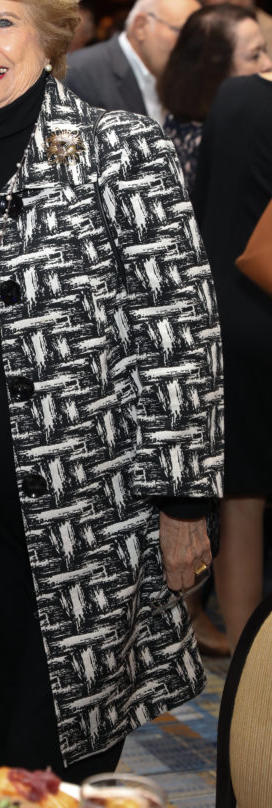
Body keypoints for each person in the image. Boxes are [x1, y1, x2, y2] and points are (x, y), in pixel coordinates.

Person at [0, 0, 223, 780]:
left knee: (56, 762)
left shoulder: (124, 155)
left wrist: (183, 504)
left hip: (91, 525)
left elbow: (178, 337)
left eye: (2, 22)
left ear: (47, 33)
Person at [192, 70, 272, 654]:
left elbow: (202, 193)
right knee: (247, 498)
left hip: (217, 304)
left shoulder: (236, 92)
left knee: (234, 492)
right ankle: (255, 672)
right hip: (264, 305)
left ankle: (238, 658)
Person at [158, 4, 272, 198]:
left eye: (265, 50)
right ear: (214, 72)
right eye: (254, 55)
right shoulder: (224, 144)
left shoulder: (176, 126)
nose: (267, 63)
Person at [66, 0, 200, 121]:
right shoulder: (79, 72)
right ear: (141, 27)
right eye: (183, 33)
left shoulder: (184, 79)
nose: (190, 46)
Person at [195, 0, 272, 55]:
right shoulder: (204, 40)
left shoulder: (269, 33)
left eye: (225, 6)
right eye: (211, 10)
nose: (219, 16)